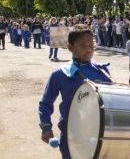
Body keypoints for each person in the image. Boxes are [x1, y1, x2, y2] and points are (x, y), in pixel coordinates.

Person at [38, 24, 112, 159]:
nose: (89, 49)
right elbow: (45, 103)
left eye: (91, 45)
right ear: (70, 47)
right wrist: (46, 127)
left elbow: (112, 103)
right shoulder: (60, 74)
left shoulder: (103, 72)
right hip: (71, 134)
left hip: (99, 133)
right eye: (83, 45)